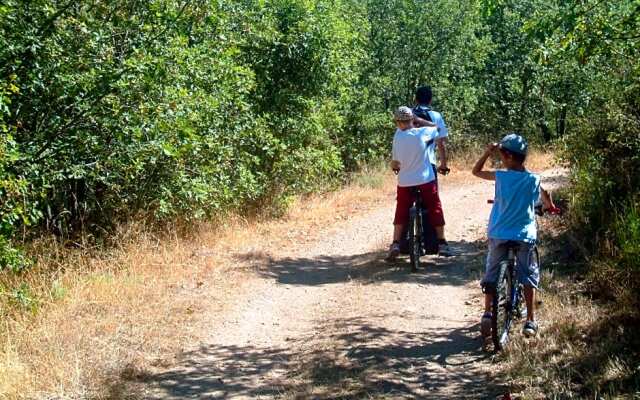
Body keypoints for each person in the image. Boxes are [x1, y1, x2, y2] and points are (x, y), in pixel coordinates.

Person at [472, 133, 557, 337]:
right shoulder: (533, 179)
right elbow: (545, 197)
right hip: (524, 235)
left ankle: (486, 314)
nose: (500, 158)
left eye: (501, 155)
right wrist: (551, 207)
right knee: (528, 274)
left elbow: (476, 171)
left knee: (492, 273)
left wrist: (487, 152)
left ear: (508, 156)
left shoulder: (501, 176)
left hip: (499, 232)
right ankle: (530, 321)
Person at [387, 106, 446, 260]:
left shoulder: (398, 136)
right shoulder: (423, 132)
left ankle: (395, 243)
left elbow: (395, 162)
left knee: (401, 208)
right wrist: (419, 120)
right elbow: (437, 128)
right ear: (411, 119)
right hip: (425, 180)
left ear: (397, 122)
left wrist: (396, 169)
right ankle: (442, 242)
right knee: (434, 206)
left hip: (405, 181)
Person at [413, 85, 452, 256]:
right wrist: (443, 164)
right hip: (429, 164)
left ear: (415, 99)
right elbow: (440, 143)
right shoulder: (435, 116)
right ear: (430, 100)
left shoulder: (408, 115)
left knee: (409, 199)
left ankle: (404, 239)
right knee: (433, 202)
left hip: (409, 165)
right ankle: (441, 242)